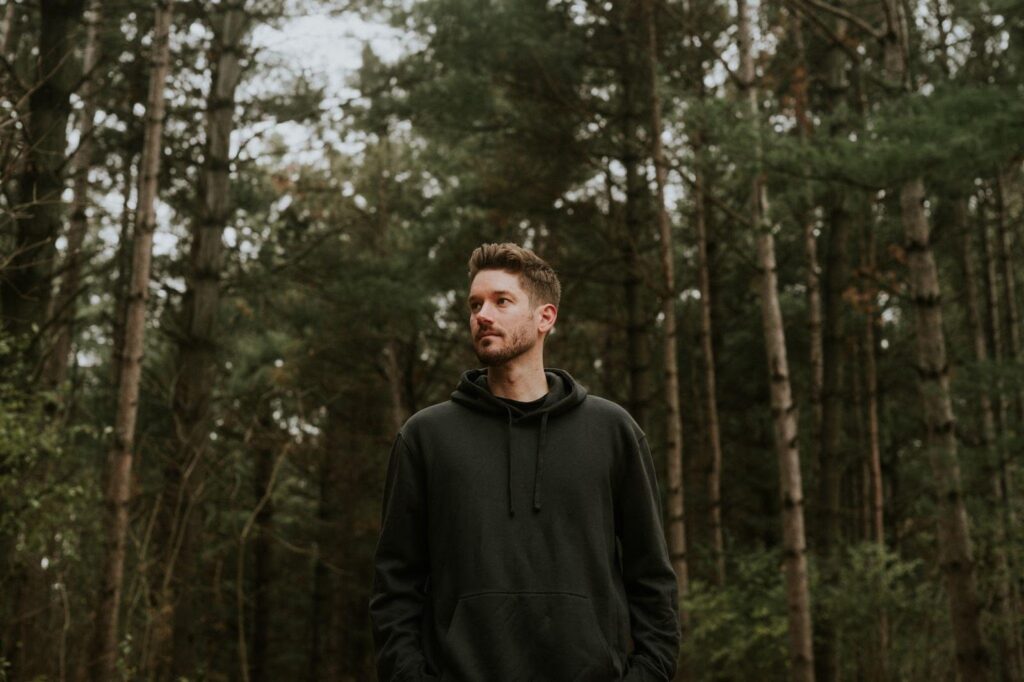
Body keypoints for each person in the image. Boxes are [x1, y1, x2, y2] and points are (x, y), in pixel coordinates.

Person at [369, 243, 680, 681]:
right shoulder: (426, 437)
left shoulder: (613, 432)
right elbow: (394, 587)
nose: (482, 315)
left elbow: (653, 581)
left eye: (501, 301)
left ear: (545, 317)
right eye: (475, 304)